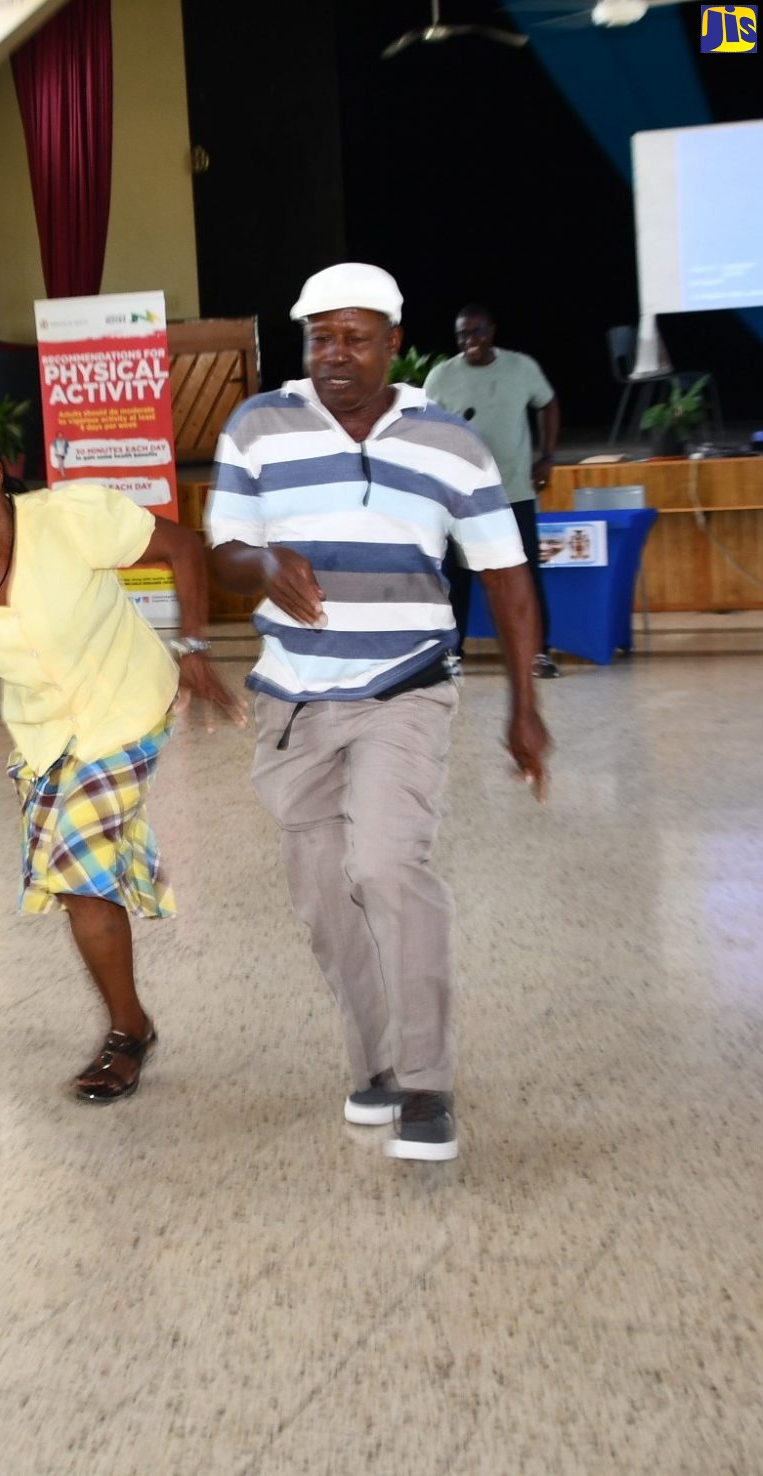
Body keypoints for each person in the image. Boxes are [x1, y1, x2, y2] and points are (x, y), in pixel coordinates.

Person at [207, 263, 551, 1163]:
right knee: (326, 899)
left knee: (388, 865)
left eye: (356, 337)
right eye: (321, 337)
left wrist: (526, 706)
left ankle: (429, 1080)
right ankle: (377, 1065)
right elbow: (225, 551)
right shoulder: (258, 425)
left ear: (397, 343)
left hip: (407, 687)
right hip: (294, 701)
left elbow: (506, 578)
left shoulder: (450, 443)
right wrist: (262, 564)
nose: (336, 355)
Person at [0, 414, 241, 1101]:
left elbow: (184, 548)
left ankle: (126, 1032)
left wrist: (194, 648)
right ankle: (134, 1013)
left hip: (124, 709)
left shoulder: (71, 518)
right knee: (86, 867)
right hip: (43, 732)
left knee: (76, 867)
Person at [423, 305, 562, 677]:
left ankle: (538, 654)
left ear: (492, 331)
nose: (471, 341)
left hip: (512, 493)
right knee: (456, 578)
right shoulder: (441, 377)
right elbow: (424, 428)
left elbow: (547, 404)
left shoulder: (521, 368)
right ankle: (451, 654)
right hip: (459, 498)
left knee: (524, 573)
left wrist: (547, 456)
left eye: (477, 332)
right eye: (463, 335)